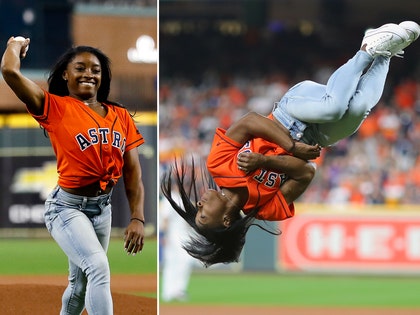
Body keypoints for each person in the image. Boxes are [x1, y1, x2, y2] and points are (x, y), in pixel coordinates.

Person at [161, 21, 419, 267]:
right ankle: (386, 53)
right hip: (317, 137)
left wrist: (290, 150)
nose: (200, 205)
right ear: (227, 220)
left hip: (290, 111)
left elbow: (250, 121)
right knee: (359, 110)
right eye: (204, 215)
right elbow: (307, 173)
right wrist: (266, 161)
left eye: (199, 211)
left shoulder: (218, 165)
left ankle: (366, 50)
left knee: (335, 107)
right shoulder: (266, 209)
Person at [1, 37, 146, 314]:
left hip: (103, 210)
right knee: (98, 267)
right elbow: (9, 72)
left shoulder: (120, 115)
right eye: (80, 68)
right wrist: (15, 44)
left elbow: (133, 171)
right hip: (67, 208)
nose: (89, 74)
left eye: (95, 69)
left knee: (79, 287)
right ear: (65, 74)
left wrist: (137, 217)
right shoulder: (54, 106)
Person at [160, 187, 195, 302]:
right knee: (173, 263)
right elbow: (165, 218)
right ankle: (169, 292)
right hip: (173, 235)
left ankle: (177, 290)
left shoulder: (184, 199)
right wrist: (164, 235)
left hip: (183, 235)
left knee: (183, 262)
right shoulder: (171, 199)